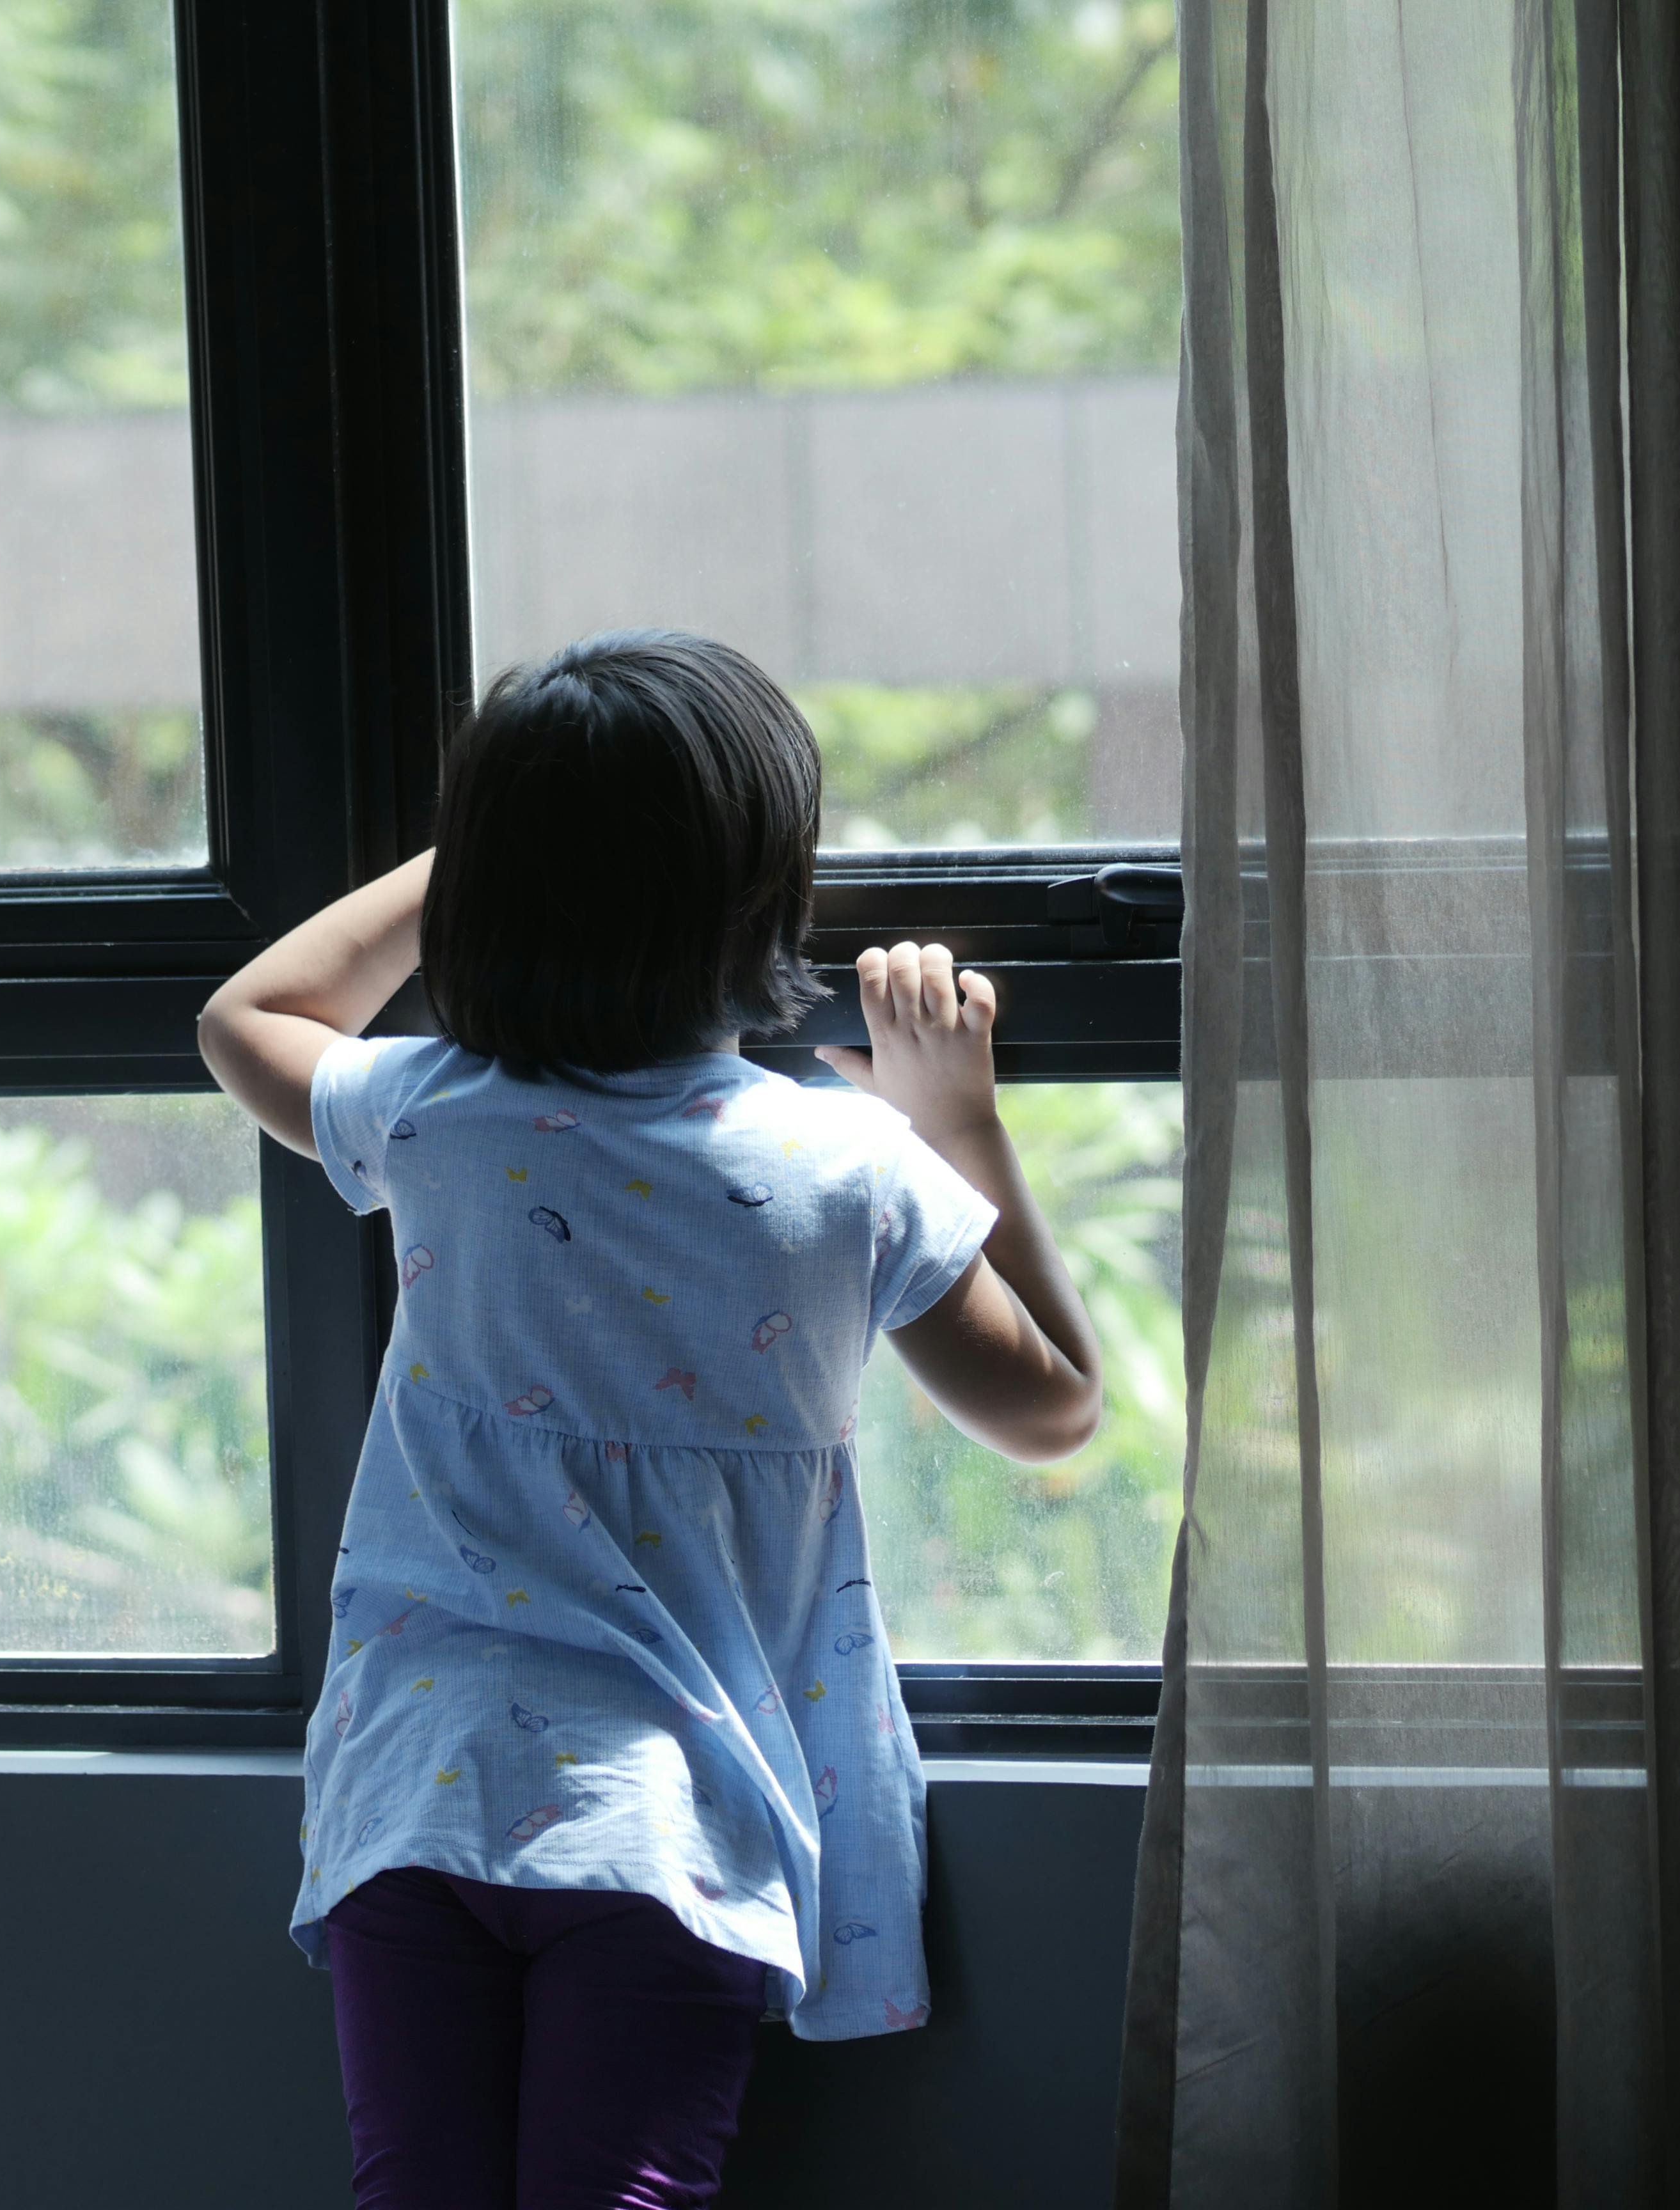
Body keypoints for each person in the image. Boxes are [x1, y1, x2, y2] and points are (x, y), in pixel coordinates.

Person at [196, 629, 1104, 2210]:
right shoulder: (847, 1168)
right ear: (760, 898)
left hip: (419, 1788)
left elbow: (250, 1014)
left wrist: (497, 848)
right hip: (665, 1814)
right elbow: (1055, 1411)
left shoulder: (435, 1114)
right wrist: (956, 1120)